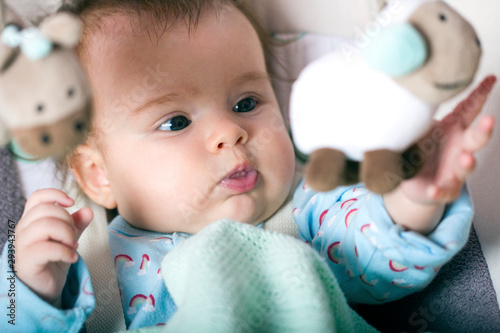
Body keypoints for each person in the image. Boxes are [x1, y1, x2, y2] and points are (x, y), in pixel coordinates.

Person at [0, 0, 495, 331]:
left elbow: (376, 254)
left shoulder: (310, 214)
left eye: (246, 103)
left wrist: (413, 196)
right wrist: (30, 284)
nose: (230, 133)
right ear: (98, 176)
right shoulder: (85, 263)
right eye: (175, 122)